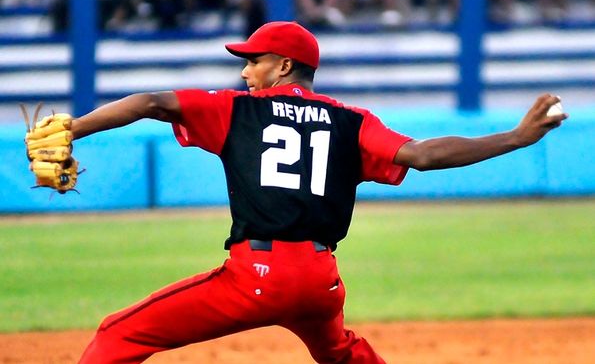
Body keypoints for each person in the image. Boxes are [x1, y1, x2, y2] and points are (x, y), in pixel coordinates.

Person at [71, 21, 567, 363]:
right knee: (338, 352)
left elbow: (151, 101)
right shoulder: (351, 120)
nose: (245, 71)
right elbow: (423, 156)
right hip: (320, 282)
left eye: (254, 61)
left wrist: (73, 129)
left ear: (284, 66)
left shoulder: (237, 109)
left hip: (256, 278)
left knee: (120, 333)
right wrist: (516, 138)